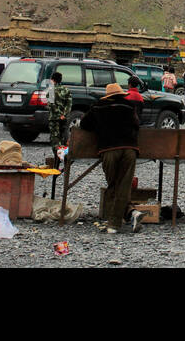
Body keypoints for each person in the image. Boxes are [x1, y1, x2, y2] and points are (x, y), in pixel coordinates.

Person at [79, 83, 143, 234]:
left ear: (107, 95)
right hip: (130, 150)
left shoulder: (98, 107)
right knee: (124, 184)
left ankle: (114, 224)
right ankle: (131, 213)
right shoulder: (129, 106)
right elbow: (137, 125)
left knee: (114, 184)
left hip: (109, 149)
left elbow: (84, 124)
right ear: (121, 94)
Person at [48, 70, 72, 153]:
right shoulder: (66, 90)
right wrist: (64, 115)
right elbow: (69, 105)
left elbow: (51, 104)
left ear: (52, 80)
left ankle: (57, 159)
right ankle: (64, 156)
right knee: (62, 138)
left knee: (55, 139)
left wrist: (58, 114)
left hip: (54, 119)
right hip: (64, 119)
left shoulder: (51, 90)